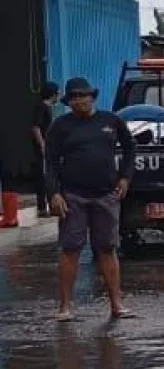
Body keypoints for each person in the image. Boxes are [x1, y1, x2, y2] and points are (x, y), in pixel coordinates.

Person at [45, 77, 137, 322]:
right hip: (72, 196)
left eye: (82, 95)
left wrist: (125, 177)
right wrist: (53, 194)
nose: (79, 101)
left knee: (107, 248)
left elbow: (130, 148)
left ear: (92, 96)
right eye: (73, 97)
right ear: (69, 102)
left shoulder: (111, 121)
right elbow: (50, 163)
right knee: (70, 249)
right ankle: (65, 307)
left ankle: (117, 305)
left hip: (106, 195)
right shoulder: (60, 127)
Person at [31, 81, 59, 219]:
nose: (58, 96)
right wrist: (42, 146)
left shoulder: (48, 107)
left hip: (49, 148)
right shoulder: (42, 107)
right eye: (57, 93)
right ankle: (42, 208)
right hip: (42, 149)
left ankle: (49, 206)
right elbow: (35, 128)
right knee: (43, 178)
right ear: (52, 94)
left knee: (49, 176)